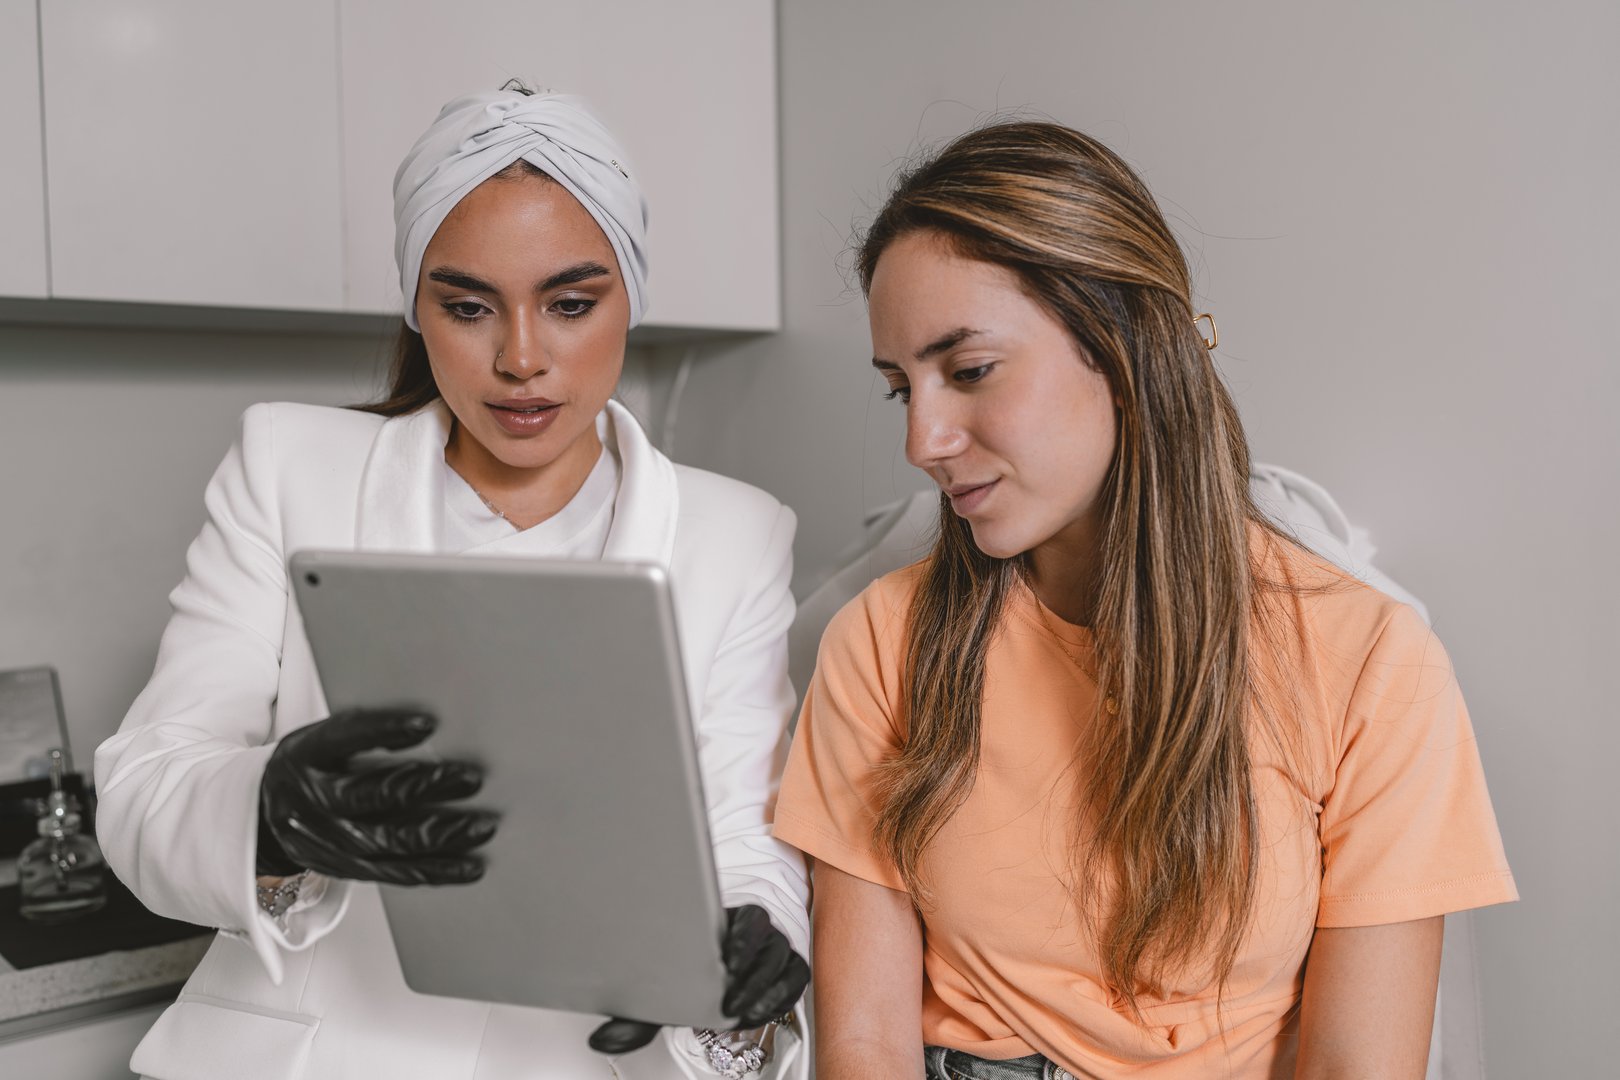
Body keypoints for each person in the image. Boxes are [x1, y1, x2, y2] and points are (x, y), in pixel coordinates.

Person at [772, 121, 1516, 1079]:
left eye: (969, 371)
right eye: (898, 389)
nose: (923, 440)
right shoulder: (881, 642)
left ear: (1121, 349)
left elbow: (1356, 1068)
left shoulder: (1370, 661)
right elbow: (865, 1045)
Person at [95, 86, 809, 1080]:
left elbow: (742, 843)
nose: (521, 358)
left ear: (629, 297)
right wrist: (269, 810)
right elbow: (143, 784)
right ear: (417, 307)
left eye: (570, 303)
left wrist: (752, 945)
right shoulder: (288, 465)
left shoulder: (736, 535)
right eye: (468, 307)